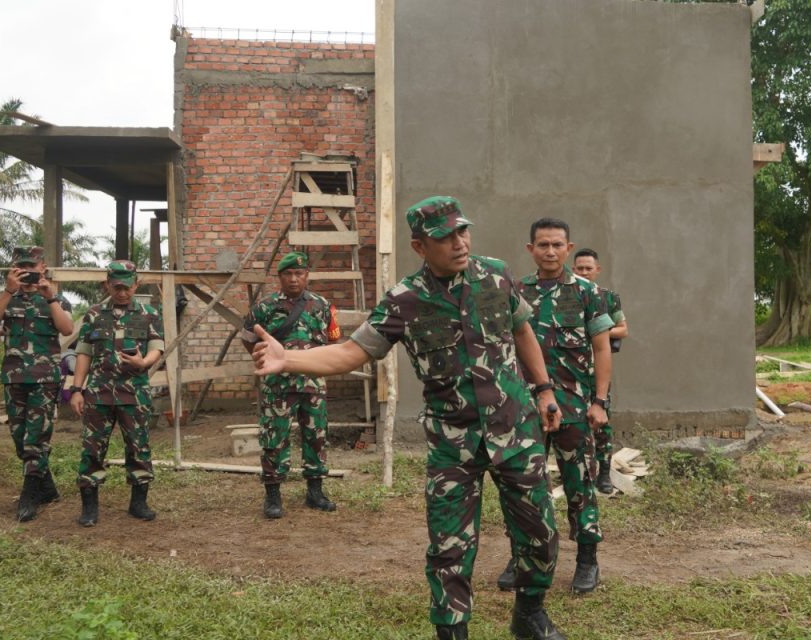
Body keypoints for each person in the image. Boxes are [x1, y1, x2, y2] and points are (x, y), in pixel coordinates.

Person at [250, 196, 568, 640]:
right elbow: (349, 352)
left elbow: (522, 329)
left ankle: (529, 614)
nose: (459, 243)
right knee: (449, 548)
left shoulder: (496, 275)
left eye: (463, 231)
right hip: (453, 444)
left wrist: (545, 389)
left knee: (540, 534)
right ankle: (452, 630)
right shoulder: (404, 300)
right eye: (445, 237)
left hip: (516, 431)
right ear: (420, 247)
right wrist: (289, 358)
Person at [498, 219, 613, 596]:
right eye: (543, 245)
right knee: (524, 487)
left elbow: (601, 348)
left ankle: (586, 560)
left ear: (569, 248)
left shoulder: (586, 292)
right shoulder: (516, 291)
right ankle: (523, 557)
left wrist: (599, 401)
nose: (550, 251)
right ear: (530, 249)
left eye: (557, 245)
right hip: (526, 408)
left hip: (575, 408)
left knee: (579, 484)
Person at [241, 251, 342, 519]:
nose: (294, 279)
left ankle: (315, 492)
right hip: (278, 385)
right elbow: (248, 336)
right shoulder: (265, 307)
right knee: (274, 438)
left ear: (307, 275)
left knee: (317, 437)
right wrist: (262, 356)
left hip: (313, 383)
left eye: (299, 273)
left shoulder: (322, 305)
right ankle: (273, 496)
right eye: (288, 274)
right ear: (280, 277)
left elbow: (332, 340)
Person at [68, 261, 164, 527]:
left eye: (127, 287)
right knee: (92, 449)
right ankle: (89, 507)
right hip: (98, 395)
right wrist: (77, 389)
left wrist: (143, 363)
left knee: (139, 447)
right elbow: (84, 353)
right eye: (117, 287)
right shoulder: (94, 314)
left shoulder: (148, 313)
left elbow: (157, 347)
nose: (122, 293)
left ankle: (138, 502)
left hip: (134, 395)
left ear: (136, 284)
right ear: (107, 285)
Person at [0, 246, 74, 522]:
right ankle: (47, 487)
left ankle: (29, 494)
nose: (28, 273)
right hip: (14, 377)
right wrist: (8, 291)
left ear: (42, 268)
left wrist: (51, 297)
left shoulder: (55, 298)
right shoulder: (7, 298)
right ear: (14, 269)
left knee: (36, 438)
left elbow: (68, 329)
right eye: (21, 268)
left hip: (44, 378)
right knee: (19, 437)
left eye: (32, 268)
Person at [571, 248, 629, 494]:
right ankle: (574, 473)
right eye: (579, 268)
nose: (584, 272)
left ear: (597, 270)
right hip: (570, 370)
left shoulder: (608, 297)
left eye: (588, 268)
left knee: (602, 424)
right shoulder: (566, 295)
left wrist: (596, 332)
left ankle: (604, 474)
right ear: (573, 269)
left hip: (596, 371)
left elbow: (623, 329)